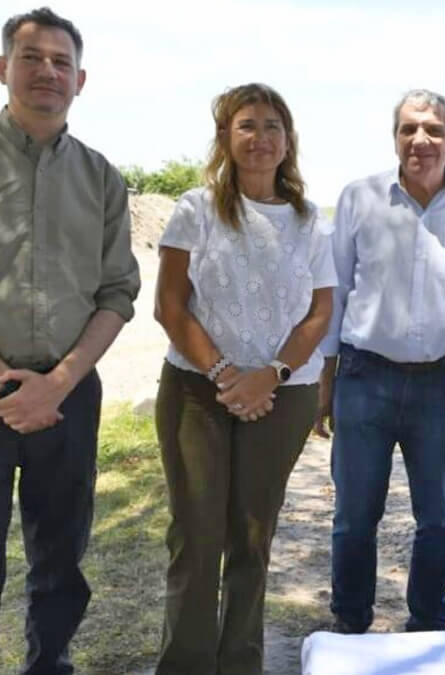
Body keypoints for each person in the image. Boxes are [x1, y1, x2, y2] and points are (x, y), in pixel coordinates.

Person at [0, 8, 141, 674]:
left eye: (61, 62)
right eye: (32, 57)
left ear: (82, 79)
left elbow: (117, 292)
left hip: (67, 400)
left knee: (61, 564)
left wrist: (57, 383)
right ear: (2, 67)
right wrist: (6, 385)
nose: (48, 71)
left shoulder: (102, 178)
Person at [152, 83, 336, 673]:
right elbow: (171, 307)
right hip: (196, 394)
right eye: (247, 125)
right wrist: (229, 376)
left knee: (252, 540)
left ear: (288, 142)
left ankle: (240, 664)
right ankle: (184, 664)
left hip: (283, 397)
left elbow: (320, 312)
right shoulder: (195, 209)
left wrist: (271, 377)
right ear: (225, 138)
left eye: (273, 126)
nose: (261, 138)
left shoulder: (311, 222)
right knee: (197, 539)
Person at [318, 89, 445, 633]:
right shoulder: (359, 198)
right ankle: (350, 626)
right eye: (409, 129)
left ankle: (427, 627)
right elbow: (336, 291)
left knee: (439, 518)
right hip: (365, 376)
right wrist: (324, 381)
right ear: (394, 138)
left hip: (442, 383)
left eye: (434, 130)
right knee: (354, 518)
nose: (421, 140)